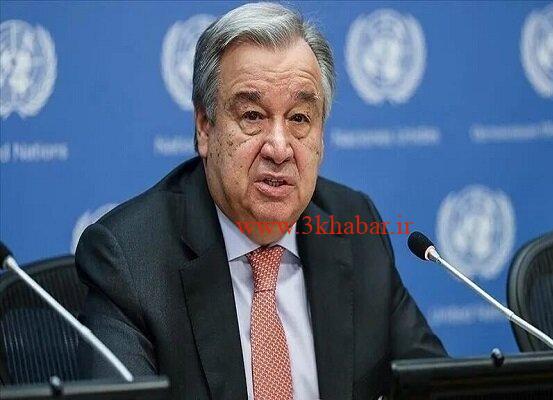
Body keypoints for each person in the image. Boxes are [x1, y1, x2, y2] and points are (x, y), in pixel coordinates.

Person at [76, 3, 447, 399]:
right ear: (205, 128)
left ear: (322, 135)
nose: (279, 148)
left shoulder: (354, 224)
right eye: (253, 116)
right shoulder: (129, 259)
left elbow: (434, 385)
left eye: (299, 118)